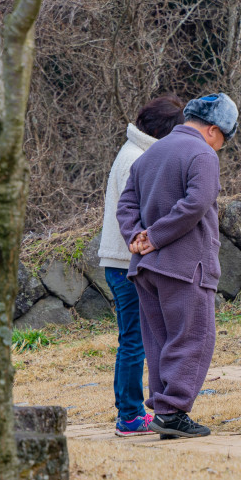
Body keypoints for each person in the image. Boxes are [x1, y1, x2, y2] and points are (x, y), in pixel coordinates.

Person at [116, 93, 238, 438]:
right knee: (194, 336)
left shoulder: (149, 153)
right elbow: (197, 203)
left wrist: (136, 237)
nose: (220, 148)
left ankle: (166, 412)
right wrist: (154, 236)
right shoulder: (202, 154)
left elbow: (126, 205)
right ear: (213, 130)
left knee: (159, 340)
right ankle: (173, 411)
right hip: (186, 264)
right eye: (223, 141)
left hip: (145, 268)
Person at [98, 95, 186, 436]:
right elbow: (138, 214)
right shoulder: (138, 158)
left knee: (134, 338)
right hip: (125, 262)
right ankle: (130, 415)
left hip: (122, 260)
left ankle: (132, 412)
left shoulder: (134, 152)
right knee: (134, 340)